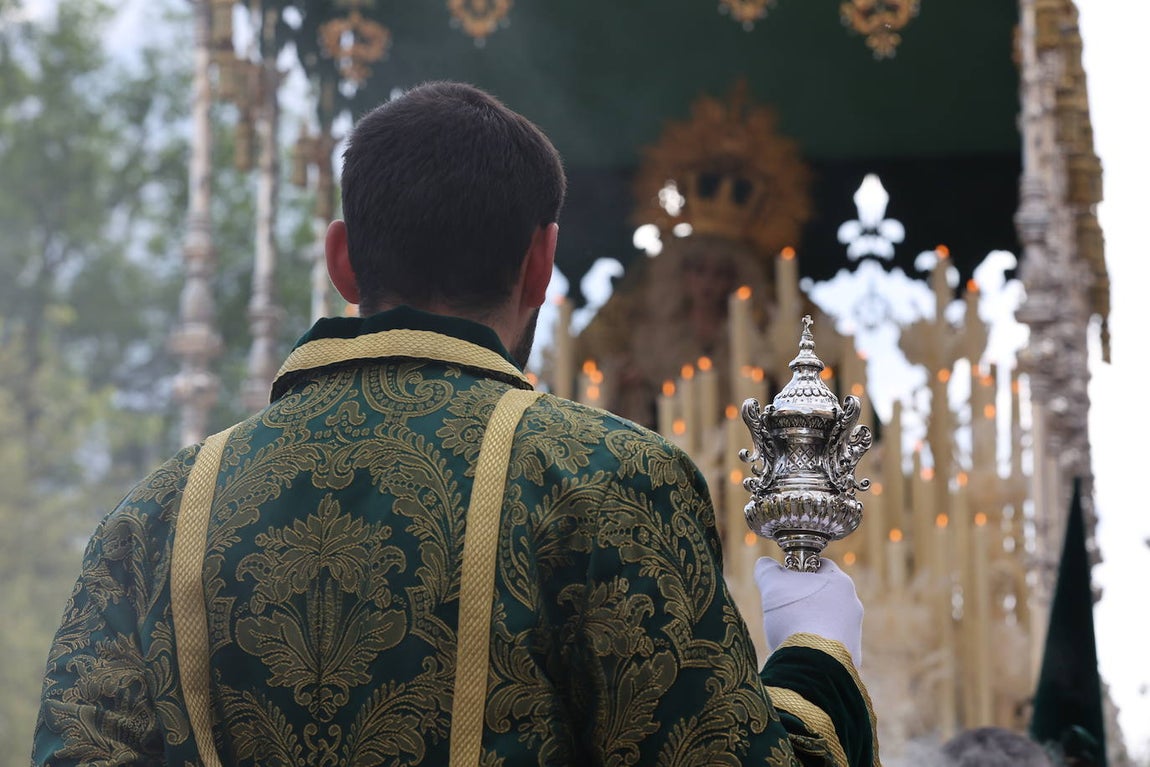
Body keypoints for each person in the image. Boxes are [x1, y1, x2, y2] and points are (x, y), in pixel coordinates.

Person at [32, 81, 878, 766]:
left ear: (341, 260)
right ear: (540, 263)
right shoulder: (607, 482)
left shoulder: (151, 518)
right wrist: (814, 653)